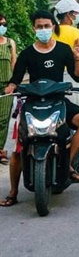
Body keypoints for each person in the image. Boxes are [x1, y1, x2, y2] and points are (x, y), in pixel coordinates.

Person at [1, 10, 79, 207]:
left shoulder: (63, 50)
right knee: (18, 150)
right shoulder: (27, 53)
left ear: (54, 26)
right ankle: (12, 192)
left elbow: (77, 77)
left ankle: (67, 164)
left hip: (59, 101)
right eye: (39, 26)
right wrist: (11, 87)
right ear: (34, 28)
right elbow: (16, 79)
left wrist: (77, 58)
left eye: (47, 26)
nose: (43, 29)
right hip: (32, 103)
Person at [0, 14, 16, 166]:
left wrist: (14, 83)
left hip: (6, 86)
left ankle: (1, 149)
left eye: (4, 24)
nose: (2, 27)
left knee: (4, 119)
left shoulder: (10, 43)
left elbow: (14, 64)